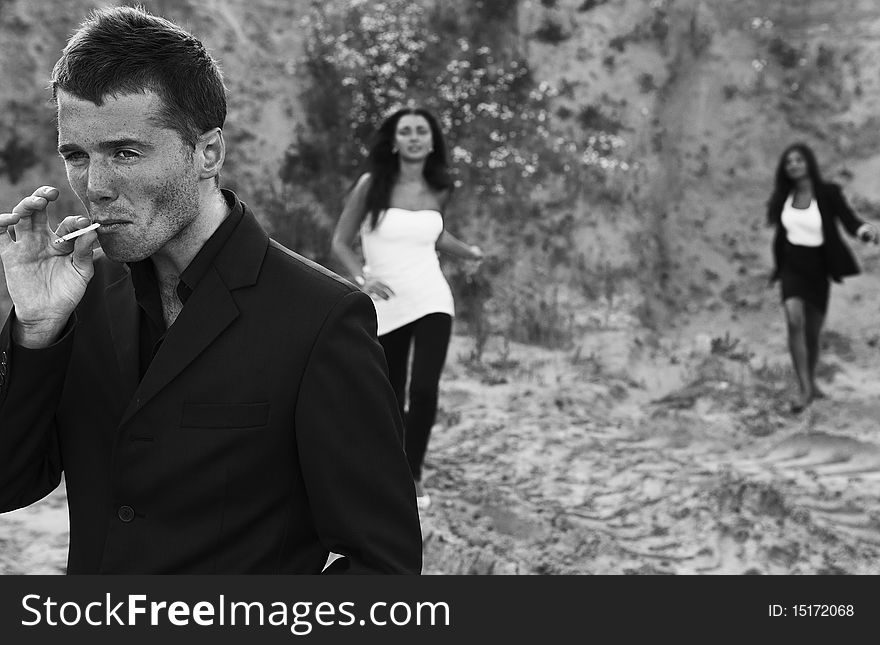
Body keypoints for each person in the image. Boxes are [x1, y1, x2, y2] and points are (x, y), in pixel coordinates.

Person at [0, 6, 422, 574]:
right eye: (77, 155)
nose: (95, 187)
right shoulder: (82, 296)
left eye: (125, 152)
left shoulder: (321, 318)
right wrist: (35, 329)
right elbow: (9, 483)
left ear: (209, 152)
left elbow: (384, 566)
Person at [331, 107, 483, 510]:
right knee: (390, 392)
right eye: (406, 131)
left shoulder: (439, 187)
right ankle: (391, 466)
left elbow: (432, 233)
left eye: (421, 131)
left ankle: (412, 474)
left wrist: (467, 252)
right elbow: (340, 242)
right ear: (394, 141)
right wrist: (362, 281)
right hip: (387, 301)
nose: (414, 137)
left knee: (425, 389)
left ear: (432, 141)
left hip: (432, 294)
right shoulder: (372, 185)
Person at [766, 143, 878, 413]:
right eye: (789, 161)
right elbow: (780, 234)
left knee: (812, 332)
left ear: (809, 163)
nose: (793, 165)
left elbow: (848, 220)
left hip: (818, 267)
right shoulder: (783, 196)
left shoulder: (828, 193)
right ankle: (803, 389)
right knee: (794, 320)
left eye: (799, 160)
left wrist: (864, 231)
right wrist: (777, 268)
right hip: (792, 265)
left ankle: (812, 383)